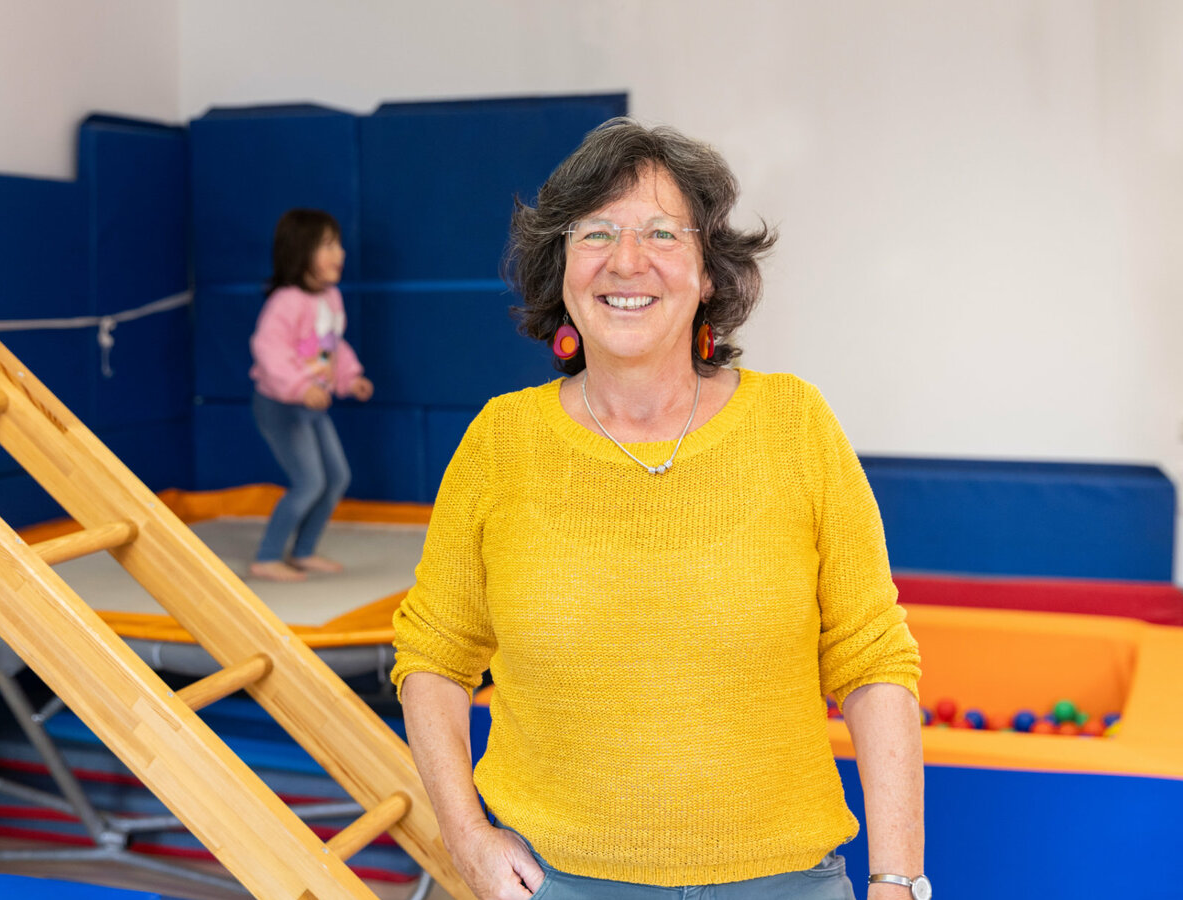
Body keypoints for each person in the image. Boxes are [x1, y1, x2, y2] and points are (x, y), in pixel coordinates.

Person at [392, 119, 927, 900]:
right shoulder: (500, 442)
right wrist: (466, 837)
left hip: (783, 883)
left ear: (709, 273)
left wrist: (898, 879)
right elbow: (433, 656)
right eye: (596, 232)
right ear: (563, 270)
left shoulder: (796, 425)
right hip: (552, 882)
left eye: (661, 232)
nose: (626, 260)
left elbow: (873, 657)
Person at [248, 209, 373, 582]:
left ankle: (303, 550)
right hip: (282, 406)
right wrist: (301, 387)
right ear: (300, 252)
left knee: (336, 478)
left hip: (312, 403)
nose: (340, 253)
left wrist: (350, 377)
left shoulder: (331, 298)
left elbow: (332, 347)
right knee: (309, 482)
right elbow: (268, 352)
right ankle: (267, 556)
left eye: (338, 244)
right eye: (327, 245)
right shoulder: (285, 302)